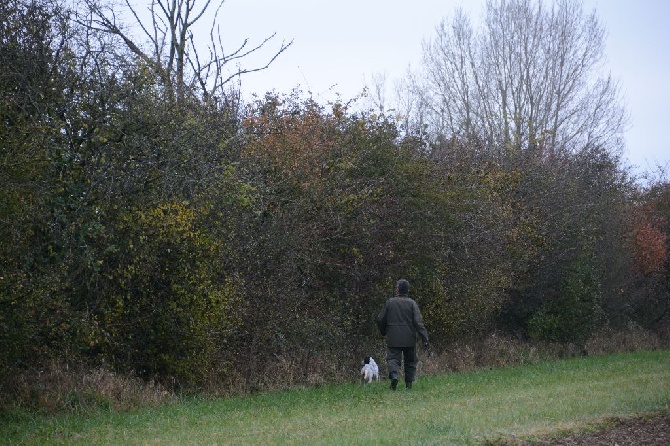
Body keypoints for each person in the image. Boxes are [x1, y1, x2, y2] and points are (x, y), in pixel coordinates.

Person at [376, 279, 429, 390]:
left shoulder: (390, 303)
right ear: (407, 290)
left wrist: (383, 332)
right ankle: (408, 385)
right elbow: (418, 322)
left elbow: (380, 319)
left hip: (393, 337)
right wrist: (425, 338)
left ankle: (394, 376)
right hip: (409, 338)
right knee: (410, 361)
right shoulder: (412, 303)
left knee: (392, 359)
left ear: (398, 289)